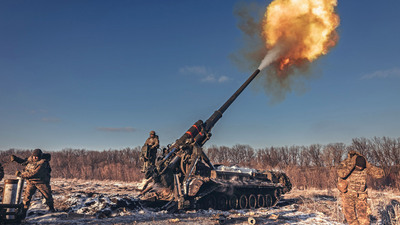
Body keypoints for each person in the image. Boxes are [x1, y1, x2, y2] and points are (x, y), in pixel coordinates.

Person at [337, 150, 384, 225]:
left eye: (362, 167)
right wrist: (351, 164)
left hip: (361, 196)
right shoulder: (346, 163)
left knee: (364, 220)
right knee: (351, 219)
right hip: (347, 195)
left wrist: (368, 166)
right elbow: (341, 174)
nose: (360, 168)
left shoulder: (365, 165)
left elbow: (380, 174)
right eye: (358, 167)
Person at [11, 149, 55, 215]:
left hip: (41, 182)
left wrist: (21, 175)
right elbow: (24, 162)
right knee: (26, 198)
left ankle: (51, 209)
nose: (35, 158)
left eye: (36, 156)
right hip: (31, 182)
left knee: (48, 196)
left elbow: (34, 173)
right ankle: (23, 212)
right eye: (34, 156)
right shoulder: (31, 159)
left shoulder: (43, 163)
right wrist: (16, 159)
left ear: (40, 156)